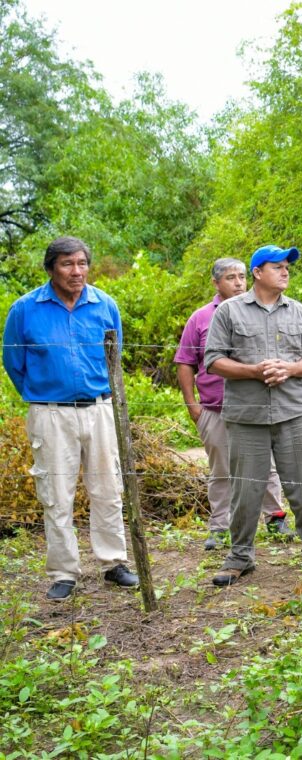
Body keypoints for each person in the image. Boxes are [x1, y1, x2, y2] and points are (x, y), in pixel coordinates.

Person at [3, 236, 139, 600]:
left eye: (82, 263)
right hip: (50, 414)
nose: (76, 272)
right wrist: (45, 394)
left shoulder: (104, 304)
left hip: (99, 409)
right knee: (56, 493)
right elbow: (14, 365)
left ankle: (114, 563)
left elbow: (115, 354)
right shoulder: (25, 309)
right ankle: (64, 573)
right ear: (51, 268)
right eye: (67, 264)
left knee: (108, 488)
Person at [204, 245, 302, 586]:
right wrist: (253, 370)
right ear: (258, 273)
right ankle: (240, 556)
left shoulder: (299, 312)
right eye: (277, 266)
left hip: (293, 413)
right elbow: (213, 360)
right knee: (245, 492)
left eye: (287, 266)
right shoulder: (229, 312)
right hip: (246, 416)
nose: (285, 271)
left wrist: (289, 369)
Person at [175, 257, 291, 552]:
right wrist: (193, 406)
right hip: (215, 407)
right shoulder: (201, 317)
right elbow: (186, 363)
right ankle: (220, 527)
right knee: (222, 469)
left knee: (266, 465)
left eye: (241, 277)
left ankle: (275, 517)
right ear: (216, 283)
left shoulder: (260, 312)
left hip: (257, 405)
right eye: (230, 278)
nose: (238, 283)